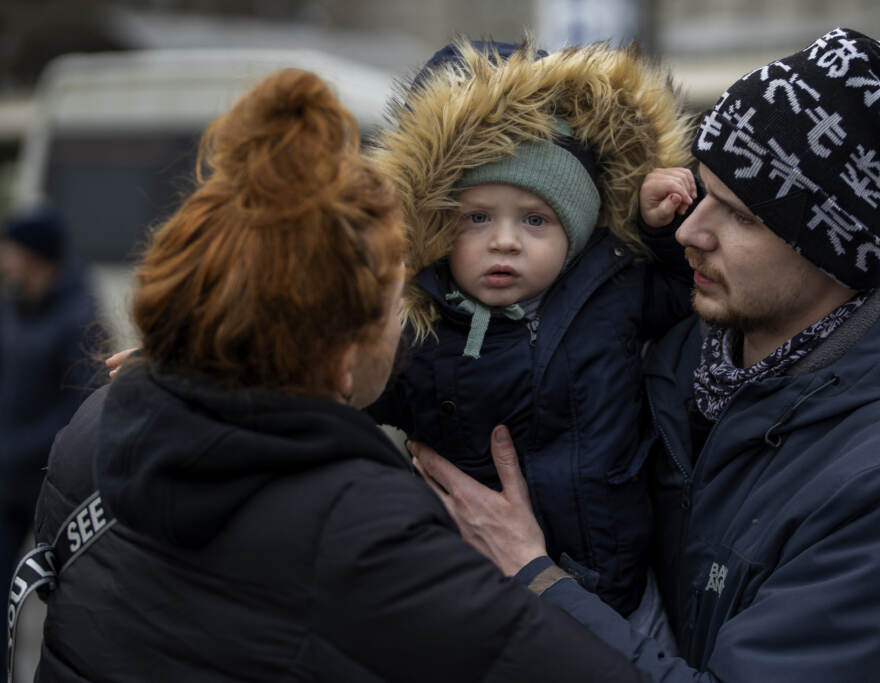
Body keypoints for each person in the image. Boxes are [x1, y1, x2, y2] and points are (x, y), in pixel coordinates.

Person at [413, 19, 880, 682]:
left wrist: (536, 577)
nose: (692, 228)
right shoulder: (691, 349)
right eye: (702, 188)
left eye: (741, 214)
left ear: (832, 252)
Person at [27, 69, 647, 682]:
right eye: (391, 303)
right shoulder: (367, 528)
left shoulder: (94, 427)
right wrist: (534, 571)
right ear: (342, 348)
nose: (406, 328)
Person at [366, 38, 697, 632]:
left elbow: (687, 294)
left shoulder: (615, 286)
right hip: (471, 595)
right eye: (477, 218)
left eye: (536, 220)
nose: (505, 241)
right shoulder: (421, 323)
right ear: (436, 224)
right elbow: (343, 389)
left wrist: (664, 229)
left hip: (622, 594)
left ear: (576, 230)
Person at [0, 204, 100, 594]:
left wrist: (14, 447)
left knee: (60, 595)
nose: (4, 257)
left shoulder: (79, 316)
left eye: (10, 247)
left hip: (51, 486)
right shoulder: (14, 306)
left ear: (33, 255)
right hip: (7, 484)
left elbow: (82, 406)